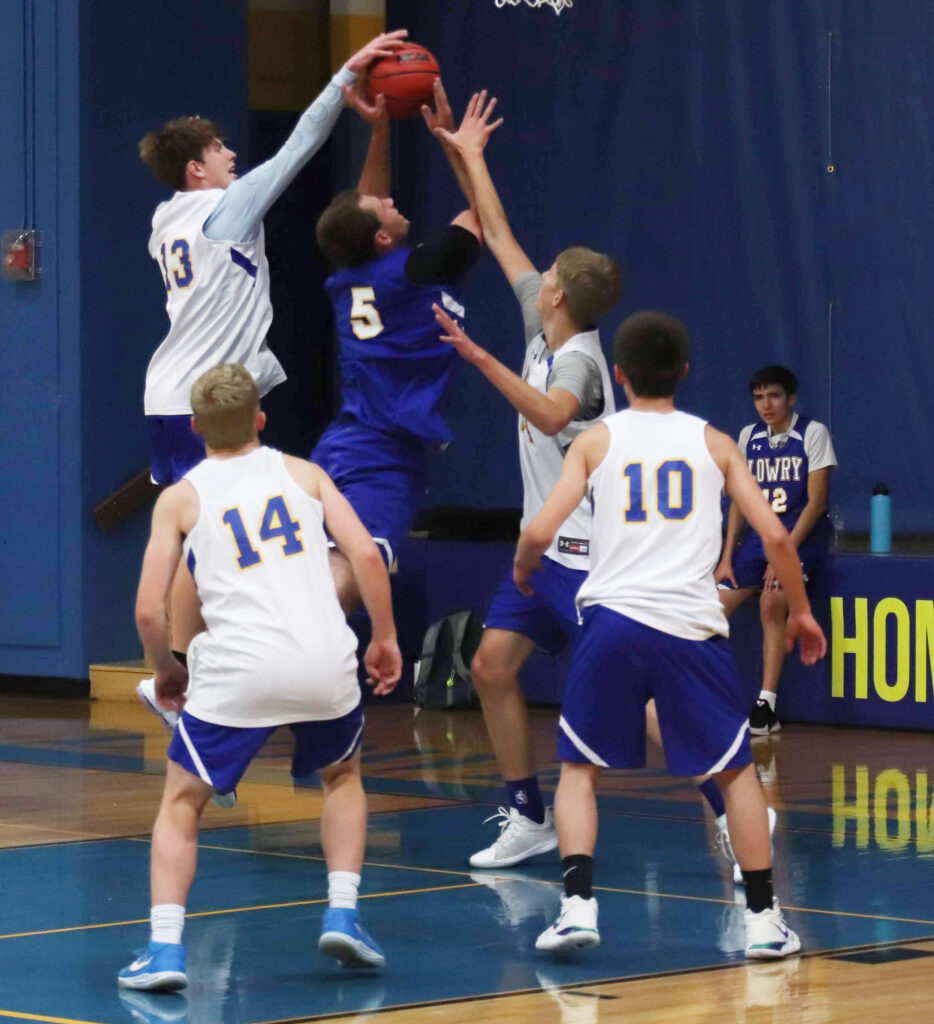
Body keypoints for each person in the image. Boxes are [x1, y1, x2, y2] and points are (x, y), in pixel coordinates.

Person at [432, 95, 730, 869]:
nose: (540, 277)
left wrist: (479, 359)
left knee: (653, 704)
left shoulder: (583, 363)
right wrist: (467, 153)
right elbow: (496, 233)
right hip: (544, 554)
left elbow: (552, 407)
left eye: (549, 274)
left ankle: (727, 801)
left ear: (561, 293)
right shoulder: (545, 321)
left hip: (592, 559)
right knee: (492, 666)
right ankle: (526, 815)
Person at [513, 311, 825, 959]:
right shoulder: (716, 442)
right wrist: (800, 610)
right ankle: (764, 920)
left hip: (613, 622)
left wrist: (522, 569)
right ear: (683, 372)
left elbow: (540, 533)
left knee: (578, 768)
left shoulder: (594, 442)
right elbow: (774, 537)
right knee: (736, 773)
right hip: (690, 626)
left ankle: (577, 908)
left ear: (620, 375)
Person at [135, 29, 407, 695]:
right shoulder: (220, 209)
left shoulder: (165, 218)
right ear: (198, 169)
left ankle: (184, 673)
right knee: (203, 539)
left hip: (171, 395)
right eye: (219, 149)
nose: (231, 155)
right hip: (201, 398)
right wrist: (345, 76)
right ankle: (188, 677)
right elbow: (299, 147)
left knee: (193, 536)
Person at [117, 364, 401, 991]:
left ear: (194, 428)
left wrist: (166, 671)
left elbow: (146, 608)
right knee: (343, 776)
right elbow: (364, 556)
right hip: (322, 660)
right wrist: (383, 636)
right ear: (261, 420)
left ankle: (165, 951)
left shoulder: (182, 497)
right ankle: (344, 912)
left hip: (237, 672)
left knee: (182, 803)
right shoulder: (306, 474)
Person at [311, 79, 488, 611]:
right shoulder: (417, 270)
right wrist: (457, 146)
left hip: (345, 442)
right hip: (382, 452)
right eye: (384, 207)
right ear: (381, 238)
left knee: (317, 559)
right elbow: (483, 218)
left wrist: (379, 131)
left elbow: (364, 212)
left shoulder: (352, 271)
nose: (391, 199)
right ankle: (285, 651)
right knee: (349, 567)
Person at [714, 366, 837, 735]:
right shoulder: (748, 436)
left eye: (774, 396)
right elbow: (738, 499)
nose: (766, 405)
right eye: (758, 397)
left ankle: (766, 705)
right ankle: (701, 694)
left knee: (771, 601)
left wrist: (781, 556)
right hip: (759, 540)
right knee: (709, 609)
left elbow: (816, 504)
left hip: (802, 535)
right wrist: (726, 557)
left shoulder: (813, 433)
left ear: (791, 398)